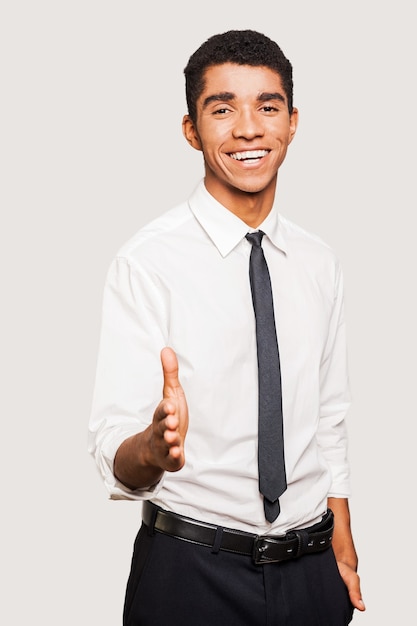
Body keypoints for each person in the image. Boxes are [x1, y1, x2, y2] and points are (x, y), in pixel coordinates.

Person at [88, 29, 365, 625]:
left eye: (267, 106)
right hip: (191, 575)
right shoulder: (147, 262)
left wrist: (342, 545)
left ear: (292, 121)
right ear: (191, 129)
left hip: (313, 569)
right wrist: (154, 447)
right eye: (222, 108)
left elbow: (330, 422)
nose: (248, 128)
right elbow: (113, 447)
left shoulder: (320, 263)